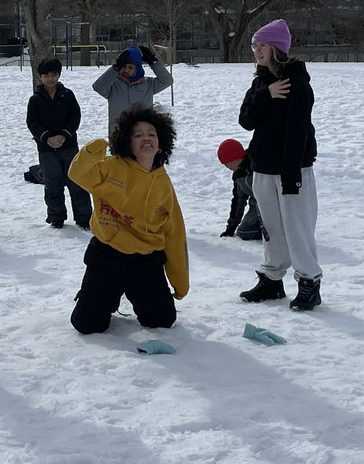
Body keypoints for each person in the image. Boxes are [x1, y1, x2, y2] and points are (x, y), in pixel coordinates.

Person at [67, 103, 188, 335]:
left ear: (161, 141)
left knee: (162, 321)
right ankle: (98, 296)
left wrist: (179, 281)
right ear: (126, 141)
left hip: (146, 262)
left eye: (152, 134)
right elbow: (77, 174)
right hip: (106, 256)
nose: (146, 138)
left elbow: (174, 233)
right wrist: (91, 151)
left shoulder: (163, 184)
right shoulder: (110, 168)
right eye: (138, 134)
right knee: (87, 325)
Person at [237, 18, 321, 310]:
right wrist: (266, 95)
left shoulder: (297, 82)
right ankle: (272, 280)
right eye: (255, 46)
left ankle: (309, 283)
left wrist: (291, 175)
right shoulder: (260, 82)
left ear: (277, 48)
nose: (257, 51)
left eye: (263, 45)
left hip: (292, 169)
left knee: (297, 229)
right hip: (263, 168)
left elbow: (297, 132)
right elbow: (245, 120)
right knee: (271, 229)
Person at [27, 56, 92, 229]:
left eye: (53, 74)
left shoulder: (68, 95)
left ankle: (84, 217)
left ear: (59, 75)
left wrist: (64, 135)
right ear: (40, 76)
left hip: (69, 146)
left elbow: (75, 117)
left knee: (77, 182)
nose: (50, 79)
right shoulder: (35, 99)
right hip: (46, 149)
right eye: (46, 75)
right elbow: (32, 122)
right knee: (52, 184)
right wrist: (47, 138)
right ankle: (56, 217)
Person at [92, 45, 173, 137]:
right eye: (123, 66)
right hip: (119, 135)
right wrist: (115, 68)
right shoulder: (113, 85)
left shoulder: (148, 85)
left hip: (142, 136)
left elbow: (167, 80)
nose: (126, 70)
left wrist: (153, 62)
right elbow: (98, 87)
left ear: (137, 68)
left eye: (130, 67)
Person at [217, 138, 264, 241]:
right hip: (256, 206)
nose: (225, 166)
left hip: (274, 203)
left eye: (226, 162)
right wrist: (231, 227)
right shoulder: (238, 176)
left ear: (234, 158)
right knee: (244, 232)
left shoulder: (257, 164)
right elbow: (238, 201)